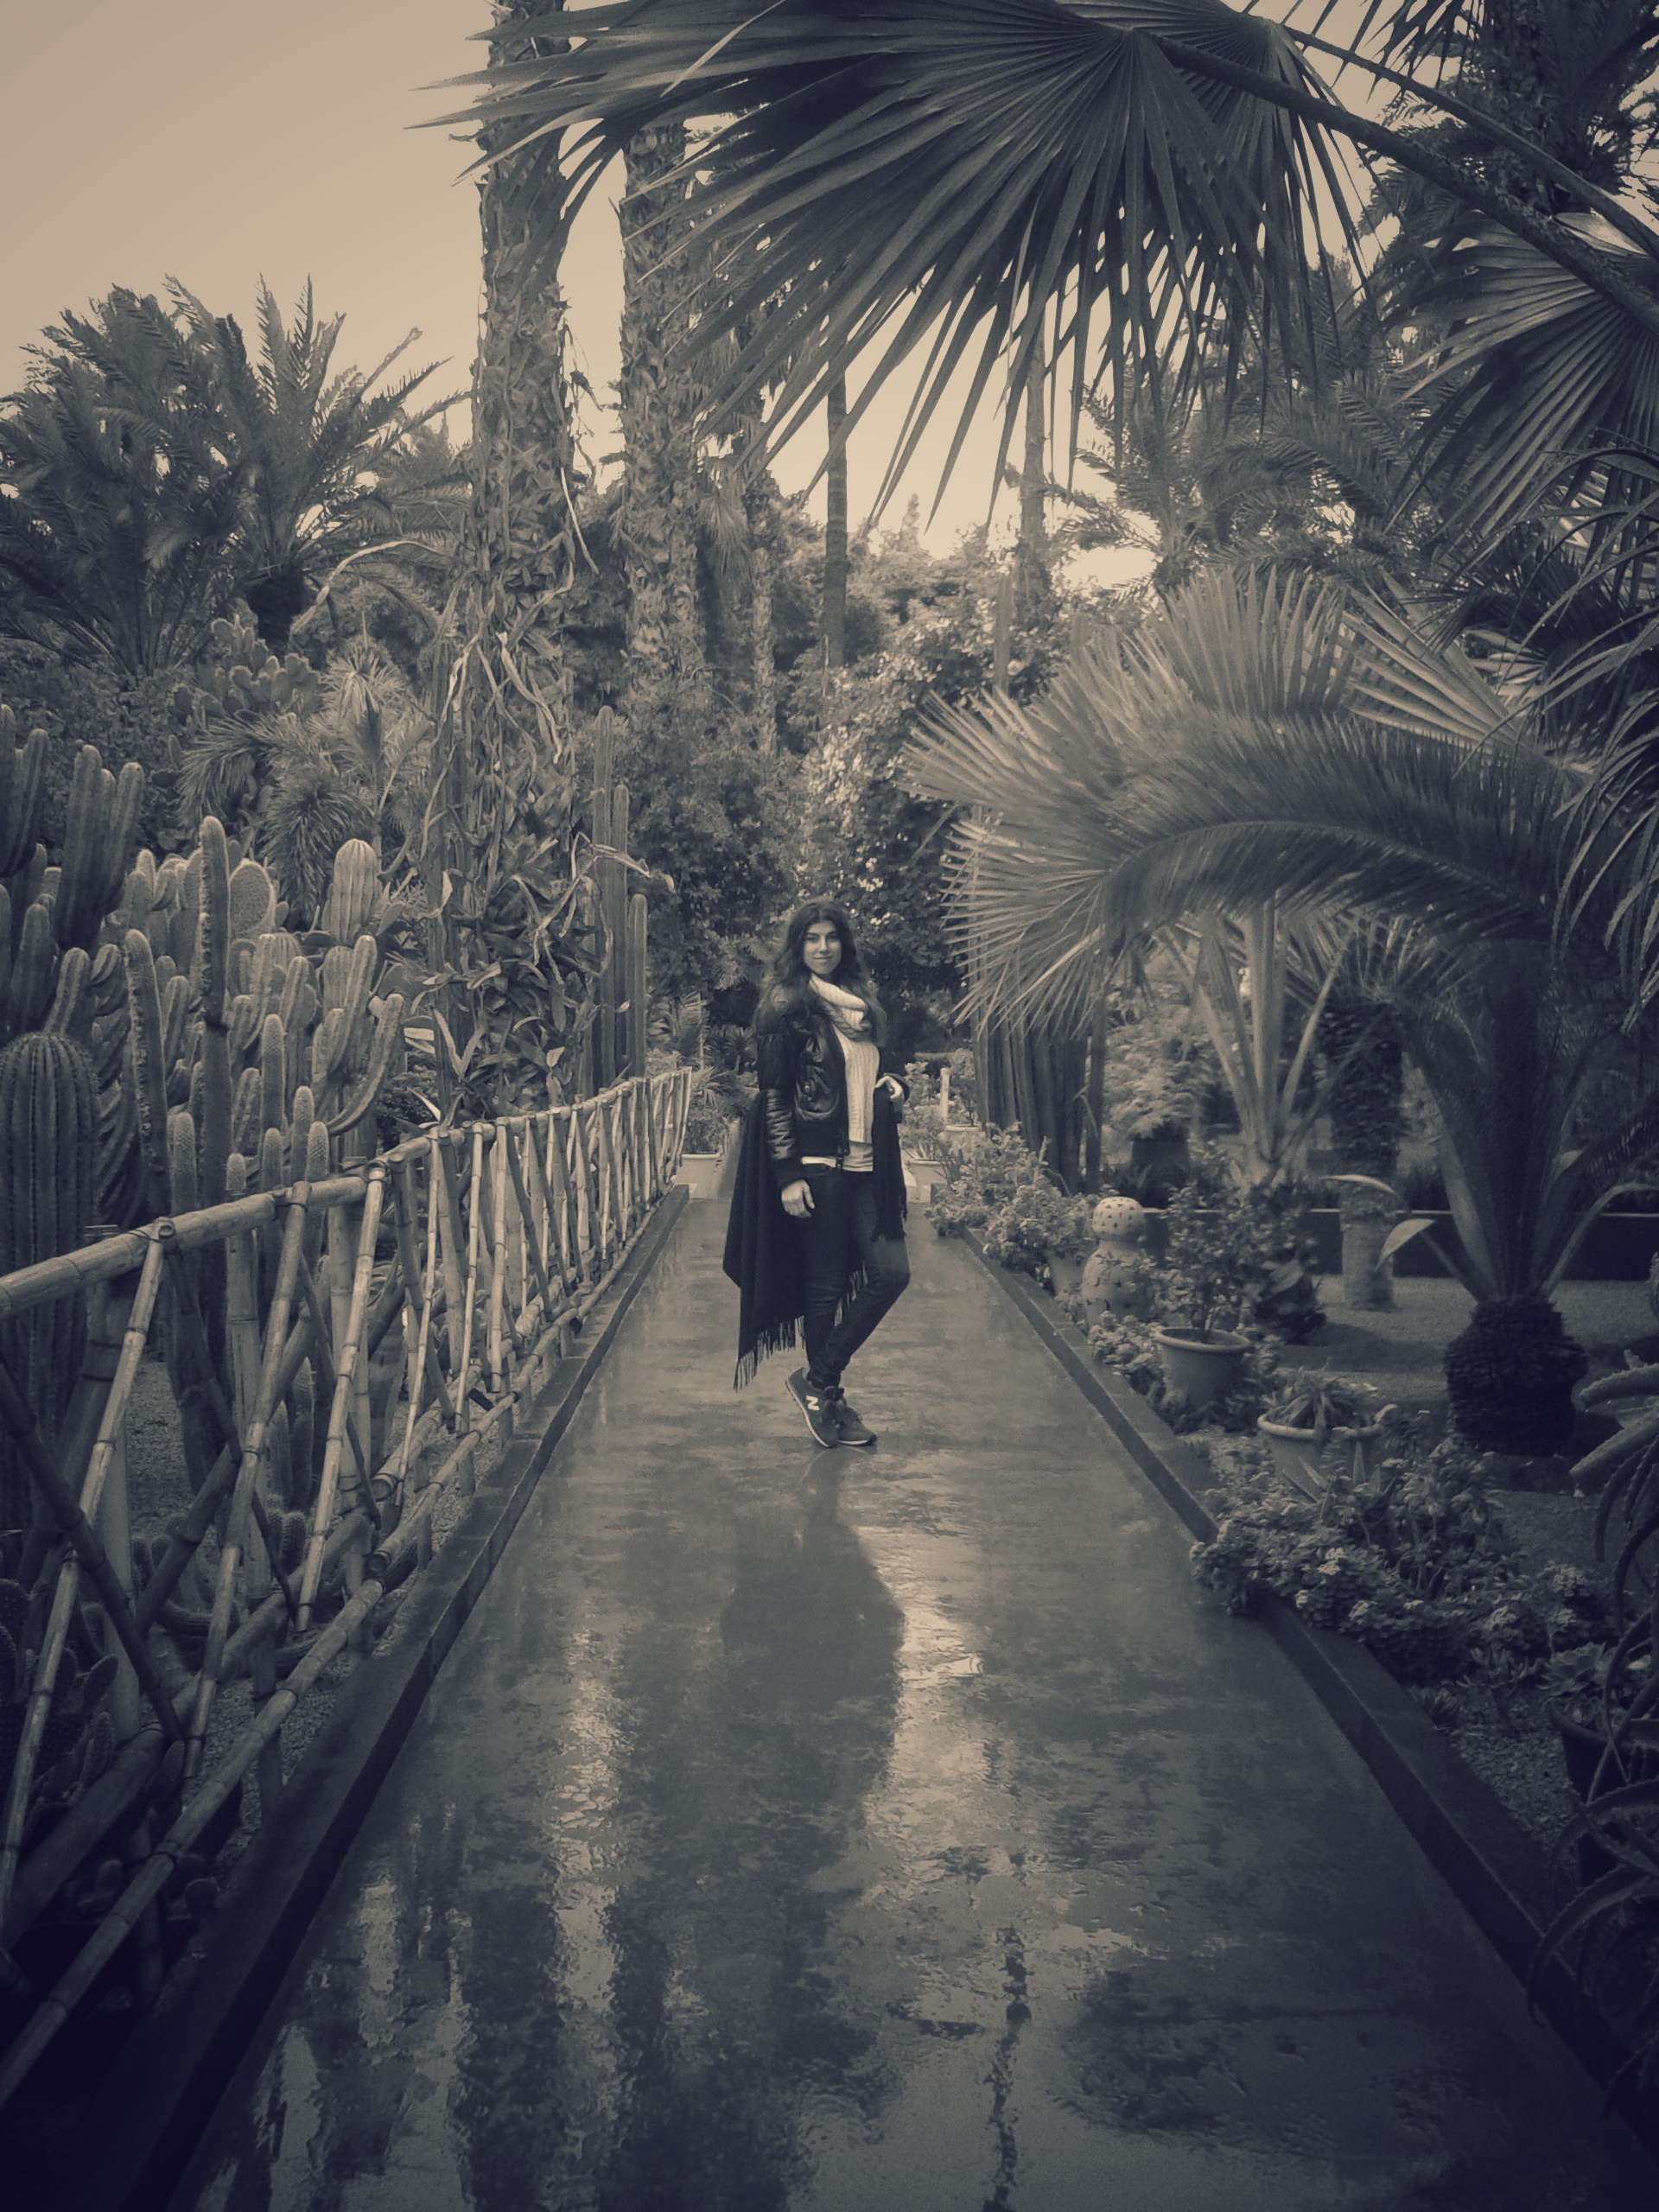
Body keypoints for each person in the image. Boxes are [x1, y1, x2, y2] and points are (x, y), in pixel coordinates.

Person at [722, 899, 910, 1446]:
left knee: (891, 1273)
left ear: (843, 943)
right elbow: (774, 1098)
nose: (823, 947)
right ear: (798, 945)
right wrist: (788, 1175)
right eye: (812, 938)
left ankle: (817, 1379)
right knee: (825, 1286)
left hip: (868, 1164)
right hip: (820, 1165)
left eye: (831, 937)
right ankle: (828, 1402)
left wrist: (898, 1085)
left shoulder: (861, 1005)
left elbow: (872, 1068)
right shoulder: (785, 1005)